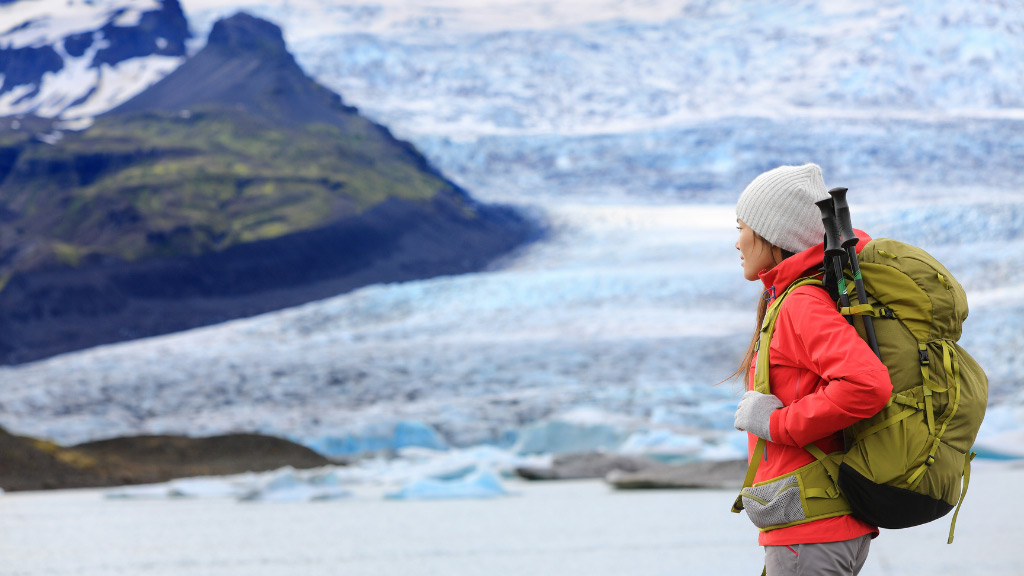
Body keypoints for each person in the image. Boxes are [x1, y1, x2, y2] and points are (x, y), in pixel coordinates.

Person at [730, 163, 892, 575]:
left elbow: (867, 385)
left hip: (811, 534)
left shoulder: (800, 304)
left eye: (741, 227)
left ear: (774, 235)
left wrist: (777, 423)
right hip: (819, 528)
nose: (737, 242)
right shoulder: (799, 298)